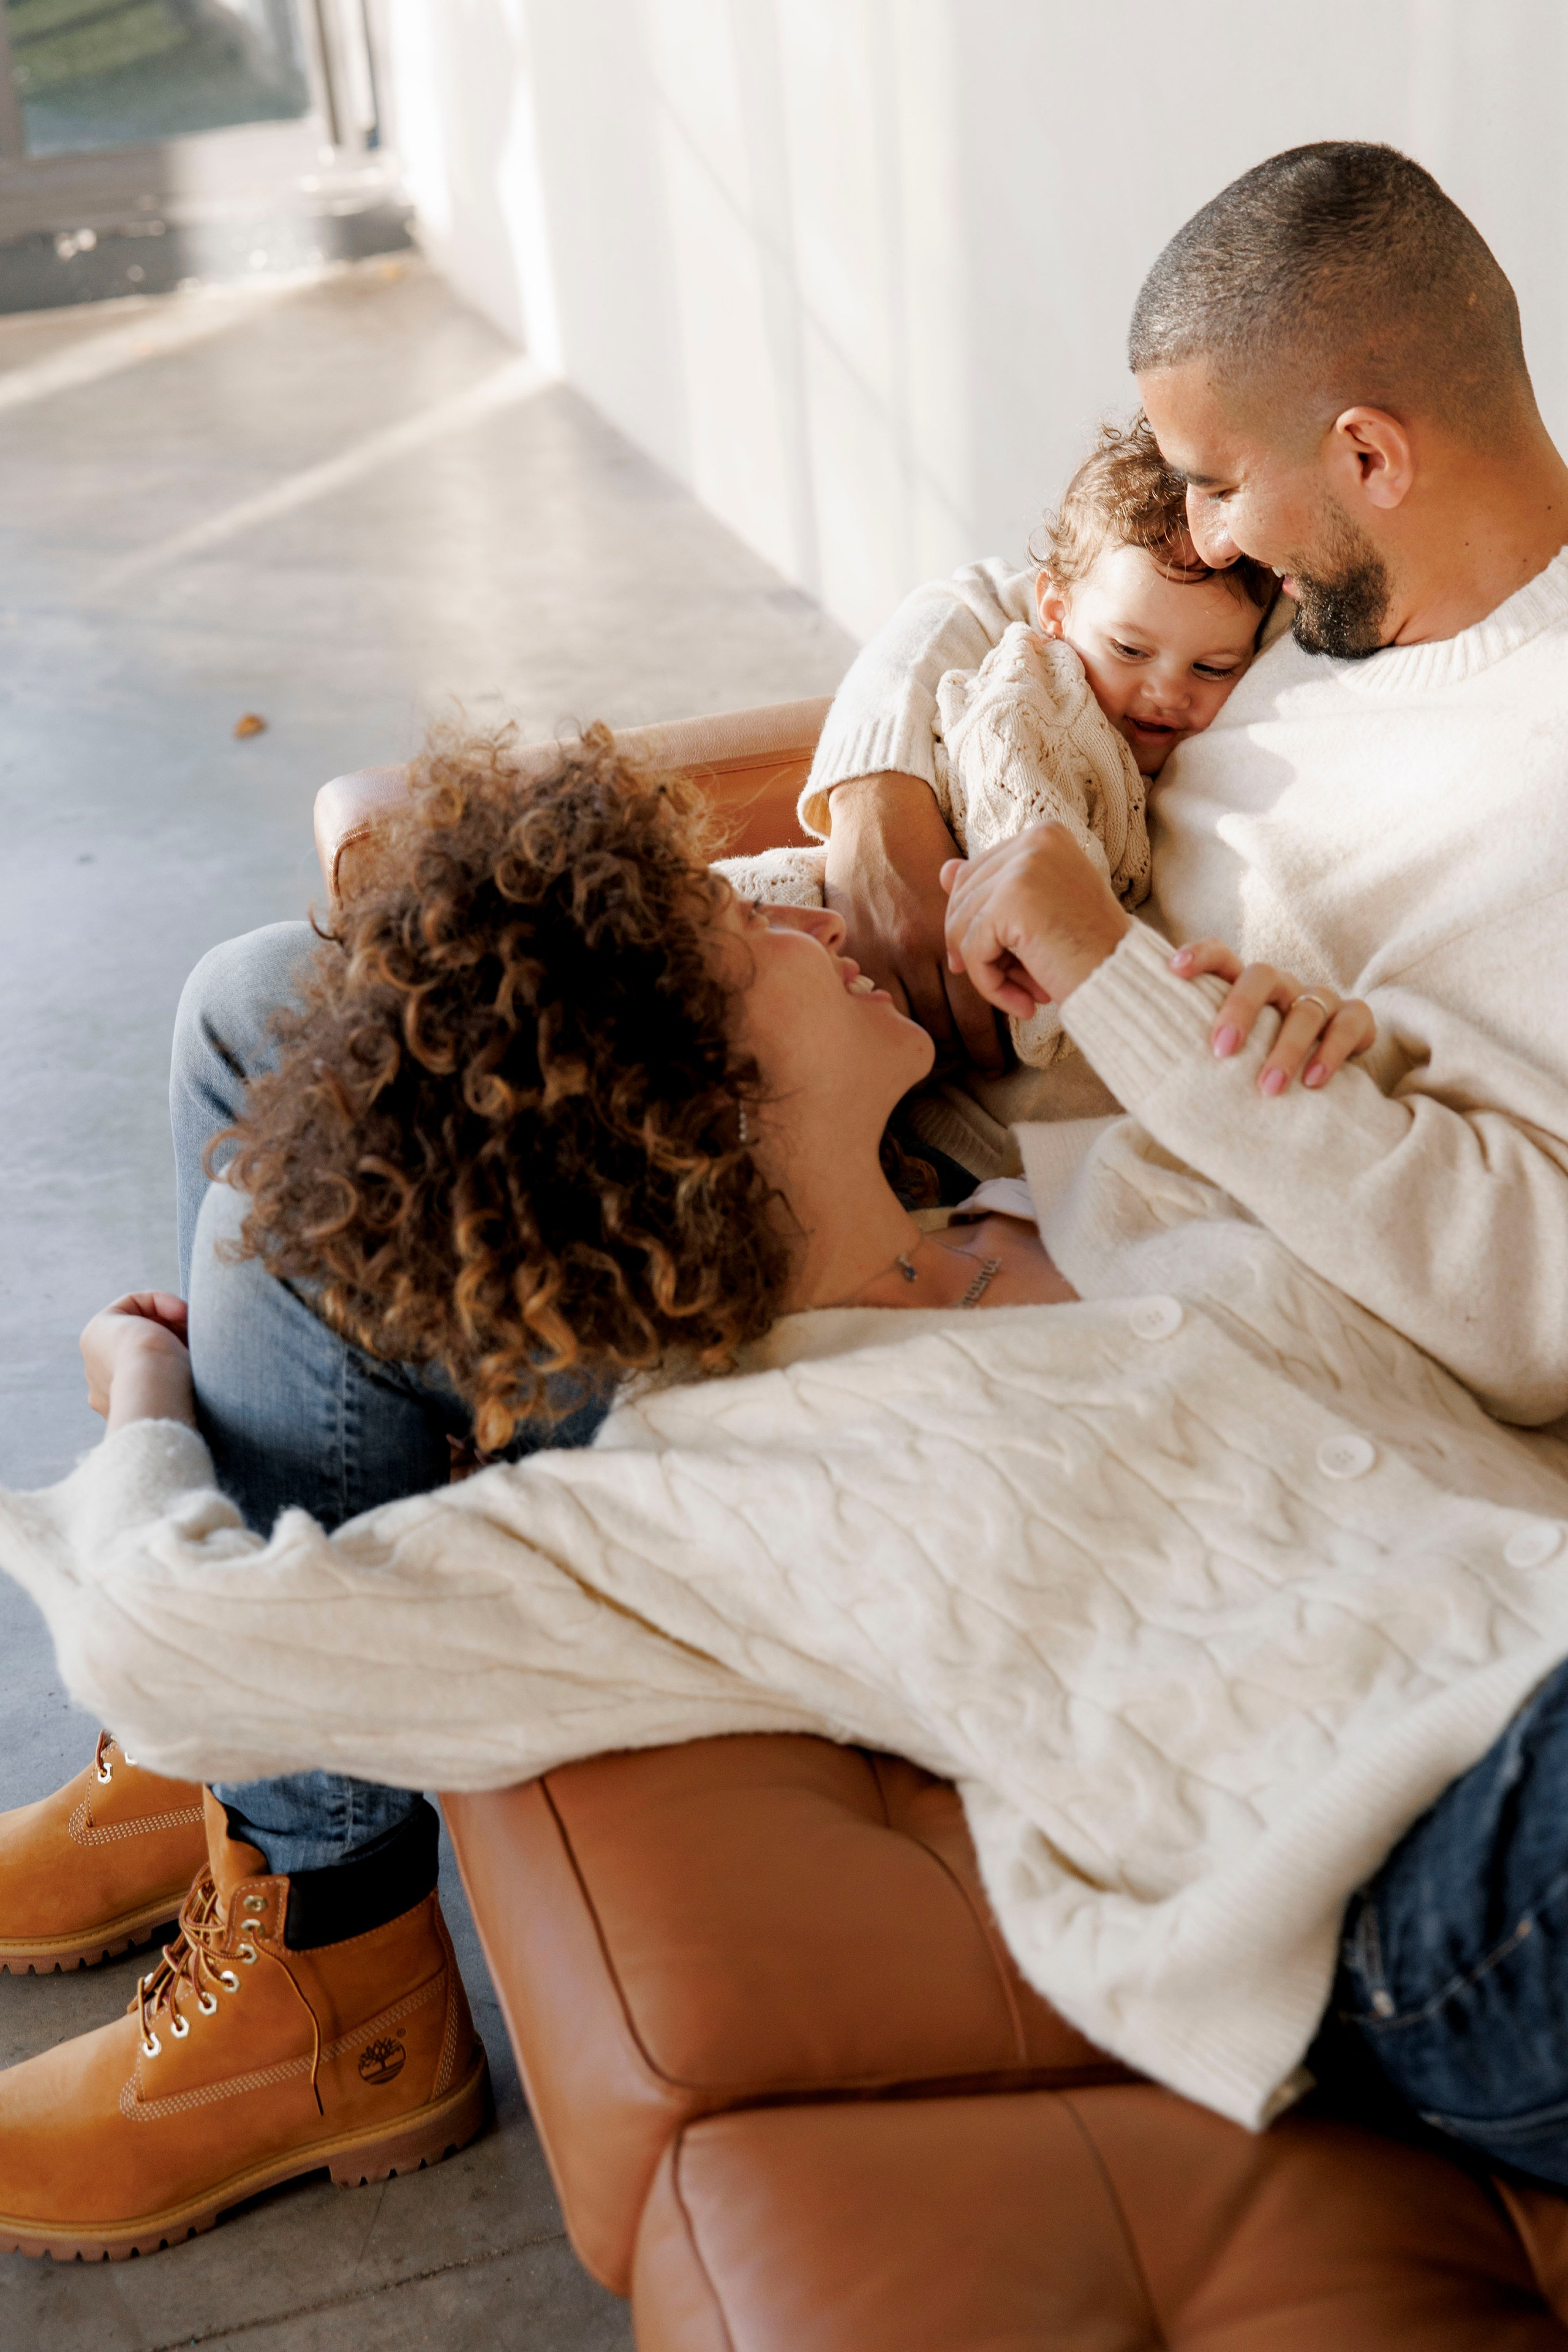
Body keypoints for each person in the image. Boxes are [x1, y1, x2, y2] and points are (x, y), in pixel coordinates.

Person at [6, 739, 1568, 2269]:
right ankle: (301, 1947)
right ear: (693, 1093)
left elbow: (1505, 1313)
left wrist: (1309, 1066)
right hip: (1453, 1877)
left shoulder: (1116, 1167)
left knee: (254, 987)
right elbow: (169, 1636)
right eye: (750, 924)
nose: (813, 912)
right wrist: (149, 1394)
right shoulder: (698, 1496)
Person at [813, 139, 1568, 1430]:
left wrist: (1099, 961)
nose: (1205, 537)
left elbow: (1530, 1307)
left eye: (1216, 486)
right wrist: (879, 806)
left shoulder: (1526, 774)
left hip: (1066, 1253)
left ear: (1368, 458)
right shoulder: (1322, 589)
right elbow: (1007, 592)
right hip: (894, 1087)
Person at [718, 417, 1283, 1173]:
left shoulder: (1242, 625)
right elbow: (1032, 857)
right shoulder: (1038, 702)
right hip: (814, 919)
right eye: (1129, 651)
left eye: (1212, 670)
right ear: (1053, 613)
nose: (1165, 691)